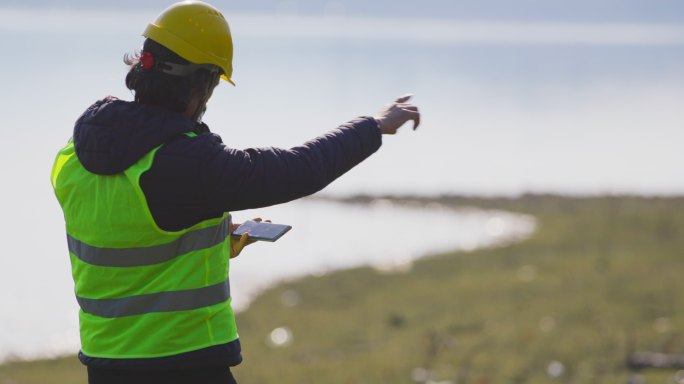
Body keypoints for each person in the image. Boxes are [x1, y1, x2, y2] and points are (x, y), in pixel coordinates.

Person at [50, 1, 420, 383]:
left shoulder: (72, 157)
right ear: (200, 84)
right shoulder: (187, 162)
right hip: (184, 363)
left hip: (105, 366)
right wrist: (373, 126)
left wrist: (215, 238)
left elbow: (126, 234)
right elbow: (298, 169)